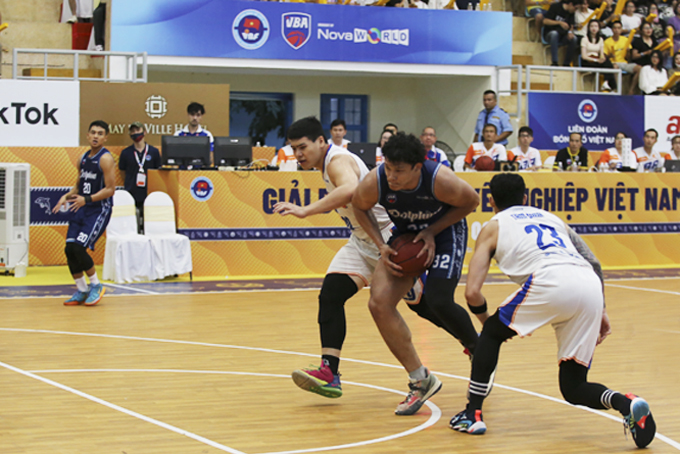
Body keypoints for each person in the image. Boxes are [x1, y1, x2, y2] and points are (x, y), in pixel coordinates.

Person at [449, 173, 656, 451]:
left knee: (489, 334)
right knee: (573, 388)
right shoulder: (552, 218)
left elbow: (472, 292)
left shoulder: (492, 226)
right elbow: (593, 262)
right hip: (589, 285)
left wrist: (490, 325)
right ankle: (627, 403)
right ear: (525, 198)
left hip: (550, 280)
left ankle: (472, 414)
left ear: (491, 201)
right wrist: (601, 308)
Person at [277, 118, 465, 401]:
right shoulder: (328, 163)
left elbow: (349, 190)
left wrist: (306, 210)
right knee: (331, 295)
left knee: (424, 306)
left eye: (303, 147)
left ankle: (472, 343)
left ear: (320, 141)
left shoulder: (336, 160)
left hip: (388, 240)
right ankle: (329, 372)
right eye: (294, 149)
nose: (298, 154)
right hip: (361, 240)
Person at [352, 132, 481, 416]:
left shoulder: (440, 179)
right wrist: (381, 245)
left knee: (438, 300)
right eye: (388, 168)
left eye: (399, 171)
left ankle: (478, 349)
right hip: (406, 235)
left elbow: (471, 202)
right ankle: (421, 379)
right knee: (379, 303)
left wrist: (432, 231)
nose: (392, 176)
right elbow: (358, 207)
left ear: (417, 167)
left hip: (445, 231)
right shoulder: (376, 180)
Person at [52, 120, 115, 307]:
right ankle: (81, 289)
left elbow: (111, 189)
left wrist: (86, 200)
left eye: (100, 133)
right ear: (87, 135)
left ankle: (96, 285)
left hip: (98, 209)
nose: (96, 136)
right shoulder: (82, 158)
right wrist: (67, 195)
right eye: (93, 132)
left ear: (105, 137)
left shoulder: (106, 159)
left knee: (79, 248)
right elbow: (80, 184)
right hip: (81, 207)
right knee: (69, 249)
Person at [118, 121, 161, 231]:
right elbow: (122, 172)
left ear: (144, 132)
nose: (135, 133)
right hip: (131, 193)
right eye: (132, 131)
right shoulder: (125, 153)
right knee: (133, 225)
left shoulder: (154, 152)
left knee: (149, 226)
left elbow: (158, 172)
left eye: (138, 130)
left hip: (149, 193)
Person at [604, 21, 642, 95]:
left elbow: (628, 58)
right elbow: (604, 56)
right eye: (615, 28)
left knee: (639, 69)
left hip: (624, 63)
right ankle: (618, 91)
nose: (617, 30)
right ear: (612, 30)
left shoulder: (625, 40)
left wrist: (628, 52)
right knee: (615, 66)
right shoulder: (607, 41)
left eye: (619, 28)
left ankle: (631, 90)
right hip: (613, 63)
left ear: (621, 29)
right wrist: (610, 55)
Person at [581, 20, 618, 91]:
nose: (594, 28)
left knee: (606, 60)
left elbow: (601, 54)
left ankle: (606, 82)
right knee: (608, 65)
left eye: (596, 26)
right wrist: (596, 60)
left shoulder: (601, 39)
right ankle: (613, 87)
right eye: (592, 26)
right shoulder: (584, 39)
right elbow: (583, 56)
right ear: (588, 28)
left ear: (598, 28)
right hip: (588, 61)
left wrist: (602, 58)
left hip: (597, 60)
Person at [542, 0, 581, 67]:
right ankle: (554, 62)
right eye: (576, 8)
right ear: (571, 4)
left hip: (563, 35)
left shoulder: (571, 13)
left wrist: (570, 32)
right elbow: (545, 21)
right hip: (550, 33)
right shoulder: (555, 7)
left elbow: (571, 26)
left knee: (574, 39)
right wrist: (559, 23)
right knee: (554, 34)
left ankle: (566, 63)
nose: (576, 10)